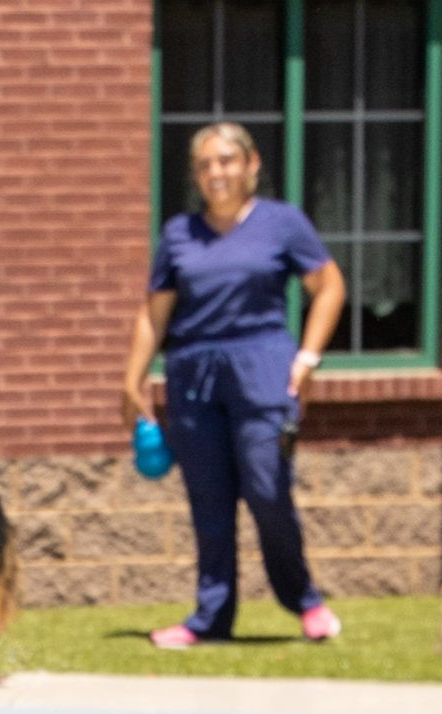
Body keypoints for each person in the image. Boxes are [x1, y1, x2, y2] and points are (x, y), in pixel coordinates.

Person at [122, 122, 348, 648]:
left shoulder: (282, 223)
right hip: (193, 377)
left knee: (268, 489)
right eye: (205, 165)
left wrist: (309, 357)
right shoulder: (179, 234)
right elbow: (154, 315)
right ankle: (211, 619)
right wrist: (131, 379)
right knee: (209, 500)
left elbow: (329, 285)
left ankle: (306, 602)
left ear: (251, 165)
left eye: (225, 161)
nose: (215, 173)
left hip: (264, 369)